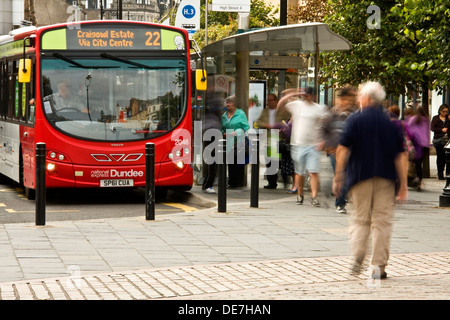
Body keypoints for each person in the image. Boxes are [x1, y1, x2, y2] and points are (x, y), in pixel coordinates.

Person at [332, 81, 408, 279]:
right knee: (382, 222)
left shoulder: (354, 120)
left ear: (365, 98)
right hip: (386, 178)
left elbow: (343, 149)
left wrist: (338, 176)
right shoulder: (391, 122)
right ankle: (378, 267)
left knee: (360, 220)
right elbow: (401, 155)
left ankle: (358, 255)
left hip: (359, 177)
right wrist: (404, 185)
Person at [278, 87, 327, 207]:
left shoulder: (319, 108)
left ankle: (314, 197)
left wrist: (323, 140)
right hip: (298, 144)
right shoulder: (297, 105)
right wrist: (295, 92)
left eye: (309, 94)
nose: (307, 96)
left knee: (313, 172)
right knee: (299, 173)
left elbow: (325, 125)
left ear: (313, 95)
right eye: (305, 94)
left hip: (313, 145)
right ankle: (300, 194)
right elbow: (280, 104)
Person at [321, 86, 356, 213]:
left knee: (347, 176)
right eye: (347, 100)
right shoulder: (332, 115)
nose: (349, 103)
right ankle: (340, 202)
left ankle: (340, 195)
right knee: (341, 175)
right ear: (341, 99)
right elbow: (324, 130)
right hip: (335, 151)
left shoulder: (354, 115)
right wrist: (327, 145)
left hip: (350, 151)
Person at [255, 93, 290, 189]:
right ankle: (272, 182)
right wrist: (266, 125)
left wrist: (281, 127)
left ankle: (285, 179)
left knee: (281, 161)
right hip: (268, 138)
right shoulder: (265, 111)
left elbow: (289, 121)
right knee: (269, 160)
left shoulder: (283, 111)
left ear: (276, 101)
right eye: (268, 100)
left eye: (271, 100)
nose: (269, 102)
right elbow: (257, 122)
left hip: (280, 138)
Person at [221, 95, 250, 188]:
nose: (227, 104)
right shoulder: (224, 115)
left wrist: (236, 132)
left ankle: (239, 182)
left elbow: (246, 127)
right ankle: (231, 182)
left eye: (229, 102)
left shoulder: (240, 113)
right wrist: (224, 133)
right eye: (226, 103)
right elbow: (221, 128)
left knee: (239, 162)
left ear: (233, 103)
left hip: (239, 140)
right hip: (229, 141)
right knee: (230, 162)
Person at [202, 92, 223, 194]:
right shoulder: (215, 109)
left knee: (210, 160)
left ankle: (206, 184)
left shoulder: (206, 109)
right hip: (213, 135)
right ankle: (208, 185)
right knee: (213, 161)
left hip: (208, 134)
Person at [406, 106, 430, 190]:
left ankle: (413, 179)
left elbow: (408, 129)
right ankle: (419, 181)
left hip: (417, 144)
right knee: (419, 164)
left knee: (413, 162)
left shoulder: (414, 119)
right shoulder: (426, 120)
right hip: (425, 145)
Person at [431, 104, 449, 180]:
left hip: (447, 140)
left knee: (446, 157)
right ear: (440, 111)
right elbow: (432, 128)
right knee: (440, 156)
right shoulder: (435, 118)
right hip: (438, 140)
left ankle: (447, 173)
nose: (445, 113)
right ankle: (440, 173)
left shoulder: (448, 119)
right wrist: (441, 130)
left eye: (446, 112)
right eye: (443, 111)